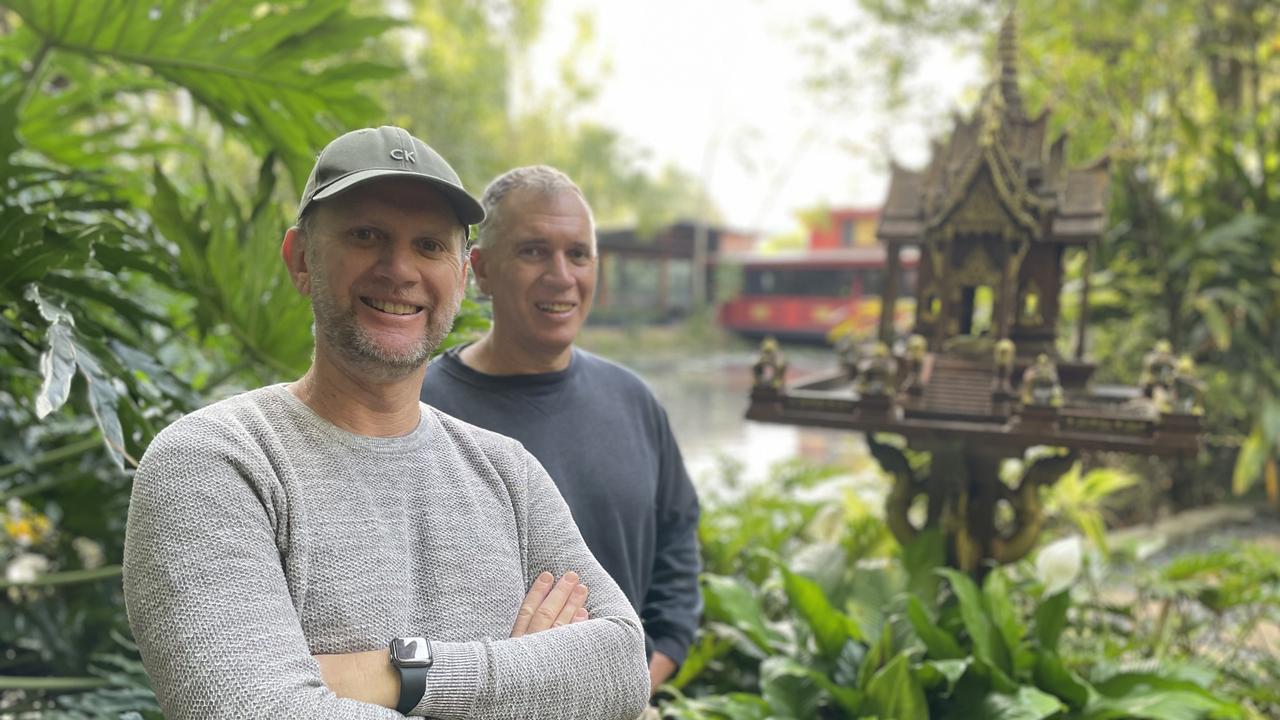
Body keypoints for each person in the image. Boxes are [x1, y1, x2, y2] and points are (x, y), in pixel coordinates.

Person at [123, 127, 649, 719]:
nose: (399, 270)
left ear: (461, 275)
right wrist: (522, 685)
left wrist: (402, 674)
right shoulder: (214, 462)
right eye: (366, 235)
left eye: (429, 245)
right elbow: (253, 710)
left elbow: (623, 669)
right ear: (301, 259)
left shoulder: (508, 473)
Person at [420, 166, 702, 693]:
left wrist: (645, 672)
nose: (561, 276)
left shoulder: (633, 399)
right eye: (532, 251)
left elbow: (677, 539)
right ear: (479, 271)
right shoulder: (419, 409)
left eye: (578, 254)